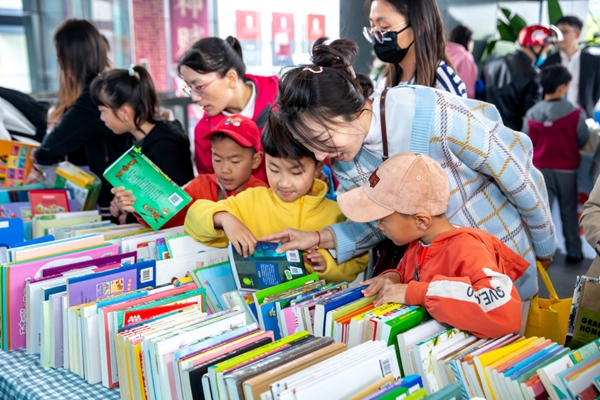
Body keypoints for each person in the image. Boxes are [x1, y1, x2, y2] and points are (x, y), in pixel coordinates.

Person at [261, 38, 556, 308]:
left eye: (323, 141)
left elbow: (514, 172)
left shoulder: (429, 112)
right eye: (311, 148)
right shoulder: (345, 159)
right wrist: (315, 238)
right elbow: (380, 223)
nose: (322, 156)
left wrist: (543, 241)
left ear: (354, 110)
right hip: (438, 281)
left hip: (497, 261)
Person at [338, 152, 527, 338]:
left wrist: (421, 293)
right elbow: (411, 272)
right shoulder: (419, 242)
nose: (378, 226)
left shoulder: (467, 249)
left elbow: (504, 311)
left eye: (383, 220)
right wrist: (394, 277)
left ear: (421, 221)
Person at [184, 118, 368, 284]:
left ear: (319, 164)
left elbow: (358, 263)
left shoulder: (337, 213)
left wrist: (327, 264)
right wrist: (223, 217)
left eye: (296, 172)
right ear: (264, 161)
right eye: (274, 169)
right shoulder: (252, 200)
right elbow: (194, 216)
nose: (284, 183)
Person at [25, 19, 130, 217]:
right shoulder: (108, 85)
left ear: (70, 58)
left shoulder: (94, 95)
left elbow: (57, 141)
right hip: (122, 192)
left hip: (114, 202)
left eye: (61, 58)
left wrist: (38, 163)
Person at [111, 114, 267, 227]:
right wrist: (139, 205)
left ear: (256, 160)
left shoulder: (262, 194)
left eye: (235, 161)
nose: (225, 169)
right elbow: (168, 216)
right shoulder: (199, 186)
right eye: (217, 159)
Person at [177, 36, 278, 183]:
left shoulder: (284, 99)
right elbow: (211, 187)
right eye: (189, 89)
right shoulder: (205, 132)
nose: (195, 98)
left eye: (199, 87)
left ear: (231, 78)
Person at [522, 64, 589, 263]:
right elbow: (582, 138)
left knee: (541, 214)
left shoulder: (532, 113)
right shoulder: (575, 113)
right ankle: (574, 251)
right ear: (562, 87)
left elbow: (526, 142)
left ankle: (539, 253)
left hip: (539, 170)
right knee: (569, 212)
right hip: (567, 171)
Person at [364, 0, 466, 97]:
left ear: (420, 27)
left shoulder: (442, 83)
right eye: (372, 27)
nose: (376, 38)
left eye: (384, 27)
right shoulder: (386, 80)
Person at [483, 24, 562, 131]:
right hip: (513, 137)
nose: (546, 54)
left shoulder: (492, 64)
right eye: (546, 50)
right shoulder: (533, 75)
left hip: (486, 130)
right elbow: (532, 116)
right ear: (537, 47)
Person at [543, 15, 600, 120]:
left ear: (577, 34)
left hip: (583, 118)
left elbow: (596, 90)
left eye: (564, 32)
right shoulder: (549, 62)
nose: (559, 37)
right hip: (553, 118)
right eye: (557, 33)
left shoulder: (594, 62)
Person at [447, 25, 478, 98]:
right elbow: (468, 91)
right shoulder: (465, 57)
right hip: (456, 103)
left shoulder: (441, 50)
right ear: (467, 41)